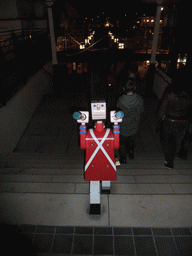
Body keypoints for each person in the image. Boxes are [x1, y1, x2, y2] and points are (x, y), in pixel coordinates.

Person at [157, 82, 192, 169]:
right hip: (183, 121)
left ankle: (168, 158)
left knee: (166, 138)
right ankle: (170, 160)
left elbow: (163, 108)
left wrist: (161, 116)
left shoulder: (170, 92)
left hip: (169, 120)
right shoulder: (188, 93)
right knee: (176, 140)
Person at [116, 76, 144, 163]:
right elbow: (141, 110)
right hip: (134, 124)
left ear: (124, 88)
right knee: (131, 139)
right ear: (135, 87)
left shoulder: (121, 100)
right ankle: (131, 153)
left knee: (122, 142)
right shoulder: (139, 99)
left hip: (123, 125)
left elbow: (118, 114)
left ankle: (123, 158)